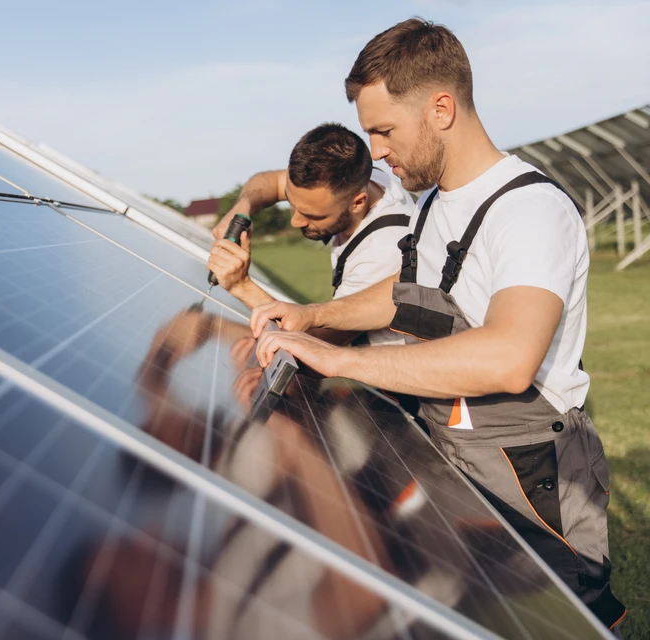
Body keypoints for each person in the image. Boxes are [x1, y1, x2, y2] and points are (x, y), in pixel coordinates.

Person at [250, 18, 626, 632]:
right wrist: (314, 316)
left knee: (557, 616)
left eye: (384, 130)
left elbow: (508, 356)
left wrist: (342, 359)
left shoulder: (529, 211)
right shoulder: (432, 204)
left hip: (531, 474)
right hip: (455, 445)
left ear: (441, 108)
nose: (375, 151)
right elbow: (409, 297)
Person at [208, 123, 414, 346]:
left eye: (312, 215)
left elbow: (315, 345)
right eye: (292, 203)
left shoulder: (383, 249)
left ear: (358, 202)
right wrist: (243, 206)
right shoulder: (359, 177)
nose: (295, 221)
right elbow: (270, 182)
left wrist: (241, 286)